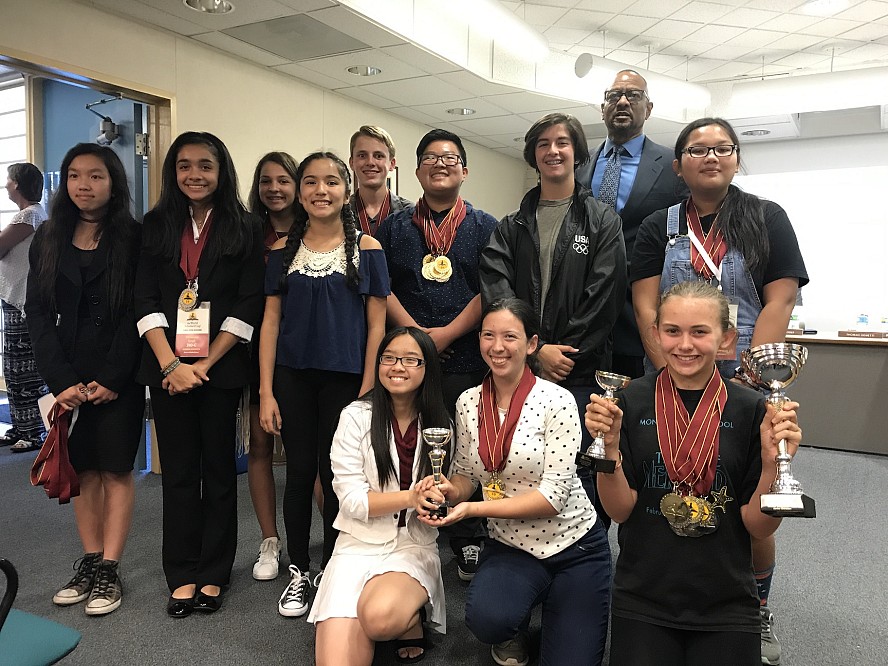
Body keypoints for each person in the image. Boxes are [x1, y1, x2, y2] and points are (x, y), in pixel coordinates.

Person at [631, 117, 809, 665]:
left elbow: (779, 300)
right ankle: (658, 599)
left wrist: (754, 376)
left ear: (735, 158)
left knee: (752, 501)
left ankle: (754, 605)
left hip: (748, 381)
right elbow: (645, 304)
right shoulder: (655, 226)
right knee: (672, 485)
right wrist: (677, 367)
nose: (711, 157)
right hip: (673, 381)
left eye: (722, 148)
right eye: (697, 149)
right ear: (679, 162)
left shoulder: (765, 217)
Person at [585, 281, 803, 665]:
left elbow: (759, 527)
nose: (684, 345)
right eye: (673, 331)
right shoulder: (630, 401)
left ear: (726, 339)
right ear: (656, 334)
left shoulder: (752, 410)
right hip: (644, 595)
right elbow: (620, 512)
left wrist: (773, 465)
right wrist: (612, 450)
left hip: (726, 601)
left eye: (699, 332)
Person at [418, 298, 611, 666]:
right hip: (512, 545)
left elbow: (552, 498)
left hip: (574, 548)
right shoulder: (467, 401)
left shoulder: (558, 399)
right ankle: (517, 619)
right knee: (489, 619)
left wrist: (472, 508)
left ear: (532, 344)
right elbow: (464, 474)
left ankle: (561, 600)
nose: (497, 346)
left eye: (510, 336)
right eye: (488, 335)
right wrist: (446, 491)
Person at [135, 131, 264, 618]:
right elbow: (144, 299)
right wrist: (171, 363)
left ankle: (214, 573)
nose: (195, 174)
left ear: (221, 170)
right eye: (185, 165)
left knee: (218, 470)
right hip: (166, 368)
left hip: (220, 370)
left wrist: (204, 364)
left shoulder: (245, 227)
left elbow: (249, 300)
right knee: (179, 473)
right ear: (173, 172)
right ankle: (181, 573)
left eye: (205, 165)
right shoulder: (154, 225)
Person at [480, 112, 626, 529]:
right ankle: (522, 550)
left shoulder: (602, 221)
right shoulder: (511, 226)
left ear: (577, 153)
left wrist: (562, 354)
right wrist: (534, 351)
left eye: (562, 142)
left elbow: (605, 294)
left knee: (581, 470)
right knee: (523, 463)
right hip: (523, 369)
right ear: (533, 155)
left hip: (580, 372)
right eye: (543, 144)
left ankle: (586, 557)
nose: (553, 150)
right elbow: (497, 289)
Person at [259, 151, 388, 619]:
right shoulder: (280, 252)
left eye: (331, 181)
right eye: (310, 182)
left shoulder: (368, 249)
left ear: (346, 190)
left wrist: (370, 387)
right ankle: (299, 569)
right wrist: (266, 391)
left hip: (347, 381)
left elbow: (377, 325)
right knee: (297, 476)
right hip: (292, 379)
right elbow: (270, 323)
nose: (320, 190)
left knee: (339, 479)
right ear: (299, 191)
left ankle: (336, 565)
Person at [25, 143, 142, 616]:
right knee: (83, 470)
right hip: (68, 373)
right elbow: (36, 313)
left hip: (120, 373)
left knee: (114, 468)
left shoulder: (133, 237)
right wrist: (60, 381)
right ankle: (90, 561)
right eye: (74, 176)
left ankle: (110, 569)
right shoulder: (48, 236)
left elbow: (140, 310)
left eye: (95, 176)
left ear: (113, 182)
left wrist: (113, 376)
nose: (83, 185)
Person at [376, 128, 496, 581]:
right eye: (430, 157)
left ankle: (469, 535)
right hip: (408, 358)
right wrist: (414, 335)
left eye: (450, 158)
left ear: (464, 170)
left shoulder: (485, 226)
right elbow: (382, 287)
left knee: (466, 447)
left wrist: (443, 335)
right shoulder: (395, 226)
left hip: (465, 355)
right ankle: (407, 526)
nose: (440, 164)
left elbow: (491, 289)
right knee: (408, 440)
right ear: (415, 170)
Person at [310, 327, 450, 665]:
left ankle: (411, 618)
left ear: (427, 367)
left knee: (379, 618)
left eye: (410, 360)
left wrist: (440, 500)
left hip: (411, 546)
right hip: (356, 545)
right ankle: (398, 616)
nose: (397, 366)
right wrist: (411, 498)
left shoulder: (440, 423)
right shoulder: (354, 417)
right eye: (389, 358)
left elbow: (452, 486)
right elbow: (353, 502)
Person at [576, 69, 686, 379]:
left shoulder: (673, 166)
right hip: (586, 319)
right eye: (614, 96)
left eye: (633, 96)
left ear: (648, 109)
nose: (622, 101)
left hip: (644, 318)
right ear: (603, 109)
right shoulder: (580, 166)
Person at [245, 151, 300, 582]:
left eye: (284, 180)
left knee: (311, 454)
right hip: (255, 352)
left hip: (303, 357)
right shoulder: (246, 233)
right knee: (260, 446)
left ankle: (336, 537)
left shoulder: (317, 229)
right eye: (267, 181)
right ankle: (270, 541)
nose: (275, 189)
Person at [2, 162, 48, 452]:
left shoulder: (29, 215)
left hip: (24, 301)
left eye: (8, 179)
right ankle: (21, 426)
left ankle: (32, 432)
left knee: (24, 370)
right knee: (14, 367)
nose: (6, 184)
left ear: (17, 184)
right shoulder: (30, 215)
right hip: (16, 298)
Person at [348, 125, 410, 236]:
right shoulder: (338, 214)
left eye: (378, 156)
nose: (370, 162)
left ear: (392, 164)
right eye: (362, 155)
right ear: (352, 163)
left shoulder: (411, 214)